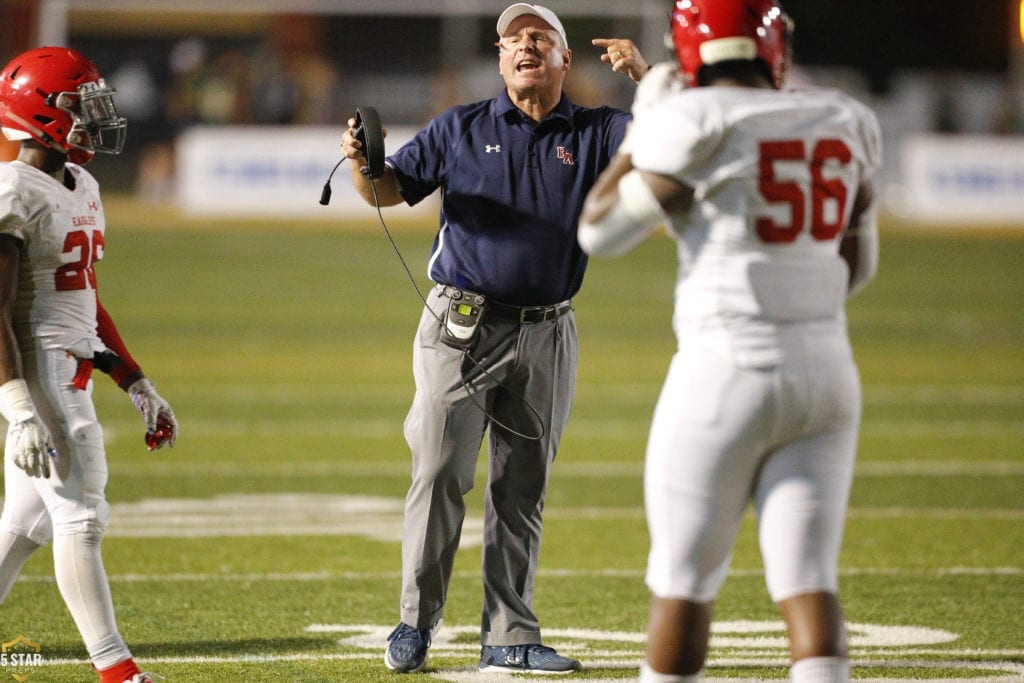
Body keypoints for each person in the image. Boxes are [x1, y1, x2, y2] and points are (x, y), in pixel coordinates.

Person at [339, 3, 649, 675]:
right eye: (513, 38)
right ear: (501, 58)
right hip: (461, 327)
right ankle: (415, 623)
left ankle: (510, 632)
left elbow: (677, 142)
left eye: (541, 38)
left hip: (549, 330)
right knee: (440, 472)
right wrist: (365, 163)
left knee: (522, 489)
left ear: (567, 61)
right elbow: (388, 192)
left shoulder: (596, 131)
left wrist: (647, 78)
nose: (525, 45)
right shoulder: (461, 126)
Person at [577, 1, 881, 681]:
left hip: (724, 369)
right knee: (809, 579)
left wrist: (644, 128)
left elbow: (598, 228)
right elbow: (855, 269)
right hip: (828, 371)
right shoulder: (842, 117)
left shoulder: (691, 119)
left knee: (683, 581)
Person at [0, 46, 178, 683]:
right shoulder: (13, 189)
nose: (95, 116)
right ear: (41, 112)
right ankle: (116, 670)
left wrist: (133, 378)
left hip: (68, 365)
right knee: (82, 517)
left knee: (24, 524)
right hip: (39, 372)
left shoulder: (81, 183)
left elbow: (83, 299)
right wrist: (19, 409)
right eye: (81, 105)